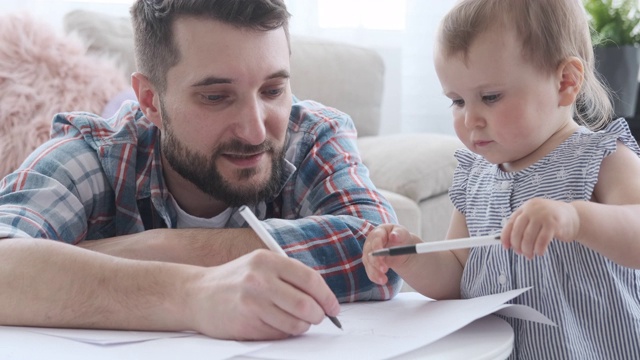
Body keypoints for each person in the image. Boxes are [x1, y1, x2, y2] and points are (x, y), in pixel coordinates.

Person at [0, 0, 400, 341]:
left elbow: (384, 252)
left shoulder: (309, 135)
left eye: (273, 90)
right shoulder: (95, 155)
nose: (256, 129)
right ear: (151, 101)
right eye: (216, 97)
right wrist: (192, 293)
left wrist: (162, 248)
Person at [363, 0, 640, 358]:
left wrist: (576, 218)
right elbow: (456, 273)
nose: (469, 120)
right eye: (458, 101)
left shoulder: (600, 156)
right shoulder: (474, 178)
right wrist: (408, 258)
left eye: (490, 97)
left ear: (565, 82)